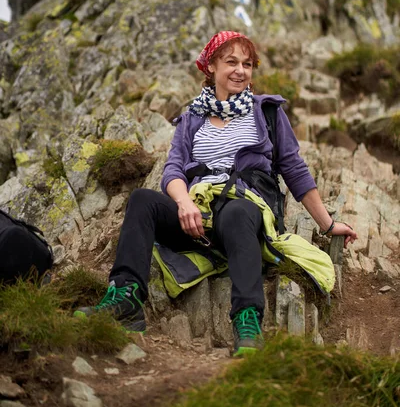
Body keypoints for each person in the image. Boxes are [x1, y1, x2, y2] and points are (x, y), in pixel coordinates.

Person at [76, 31, 357, 355]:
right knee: (142, 200)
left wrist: (328, 224)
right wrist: (183, 203)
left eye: (247, 63)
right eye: (232, 61)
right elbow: (174, 170)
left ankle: (247, 319)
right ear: (211, 66)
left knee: (238, 211)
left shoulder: (266, 111)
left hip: (246, 210)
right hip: (198, 214)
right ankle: (125, 300)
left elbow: (294, 169)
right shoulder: (192, 118)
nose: (241, 70)